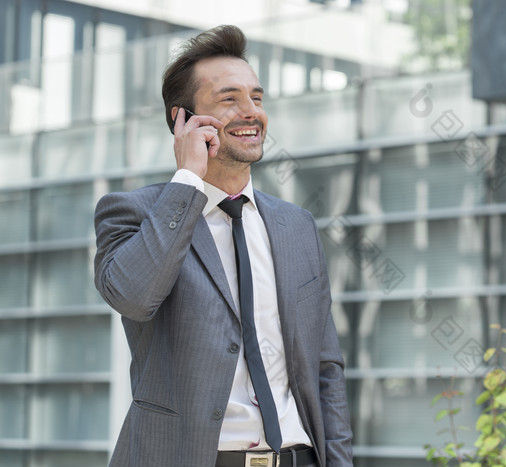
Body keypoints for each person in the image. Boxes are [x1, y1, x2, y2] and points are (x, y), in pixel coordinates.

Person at [93, 25, 353, 467]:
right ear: (182, 119)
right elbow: (134, 298)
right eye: (229, 99)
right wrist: (188, 181)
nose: (251, 112)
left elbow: (325, 366)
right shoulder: (134, 212)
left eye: (257, 97)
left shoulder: (296, 225)